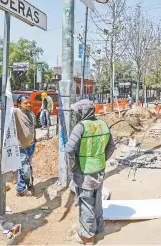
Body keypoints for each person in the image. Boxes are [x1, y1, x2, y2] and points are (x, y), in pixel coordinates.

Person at [65, 99, 115, 245]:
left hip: (84, 173)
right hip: (99, 170)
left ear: (83, 112)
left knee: (86, 203)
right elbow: (111, 146)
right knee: (97, 202)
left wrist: (72, 167)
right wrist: (101, 159)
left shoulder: (80, 127)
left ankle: (87, 237)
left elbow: (69, 150)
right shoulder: (103, 124)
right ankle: (99, 231)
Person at [14, 96, 37, 196]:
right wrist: (2, 107)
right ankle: (28, 184)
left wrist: (34, 138)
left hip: (31, 145)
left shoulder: (31, 113)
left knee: (25, 166)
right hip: (21, 147)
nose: (28, 104)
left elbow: (33, 127)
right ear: (19, 104)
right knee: (24, 167)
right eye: (25, 103)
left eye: (29, 102)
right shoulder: (16, 112)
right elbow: (5, 110)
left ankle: (21, 188)